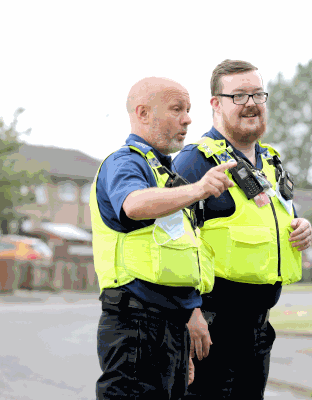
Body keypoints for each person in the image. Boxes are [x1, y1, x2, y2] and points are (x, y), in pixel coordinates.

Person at [172, 59, 312, 399]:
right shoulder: (194, 162)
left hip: (258, 327)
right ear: (215, 104)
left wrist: (301, 228)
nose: (251, 103)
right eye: (238, 96)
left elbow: (270, 220)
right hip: (210, 329)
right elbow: (172, 240)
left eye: (257, 94)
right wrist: (189, 312)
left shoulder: (271, 161)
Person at [91, 77, 237, 400]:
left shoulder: (165, 172)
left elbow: (176, 255)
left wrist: (189, 317)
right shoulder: (126, 162)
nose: (187, 119)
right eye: (176, 109)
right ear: (143, 113)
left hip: (167, 328)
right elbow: (133, 204)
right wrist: (199, 189)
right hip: (135, 325)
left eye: (188, 110)